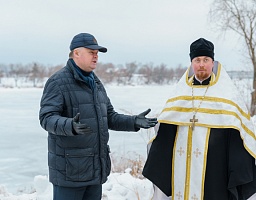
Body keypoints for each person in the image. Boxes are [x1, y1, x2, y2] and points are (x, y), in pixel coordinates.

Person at [39, 32, 158, 200]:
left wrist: (133, 122)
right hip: (69, 174)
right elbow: (46, 117)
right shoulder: (58, 82)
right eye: (91, 52)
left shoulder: (95, 83)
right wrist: (69, 125)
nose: (96, 57)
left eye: (97, 53)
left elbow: (109, 117)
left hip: (94, 172)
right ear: (76, 53)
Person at [142, 38, 256, 200]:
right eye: (197, 60)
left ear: (212, 62)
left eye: (205, 60)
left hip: (215, 167)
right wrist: (157, 124)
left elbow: (241, 133)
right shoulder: (180, 93)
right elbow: (167, 127)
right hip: (182, 166)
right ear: (191, 63)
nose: (201, 64)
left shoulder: (227, 94)